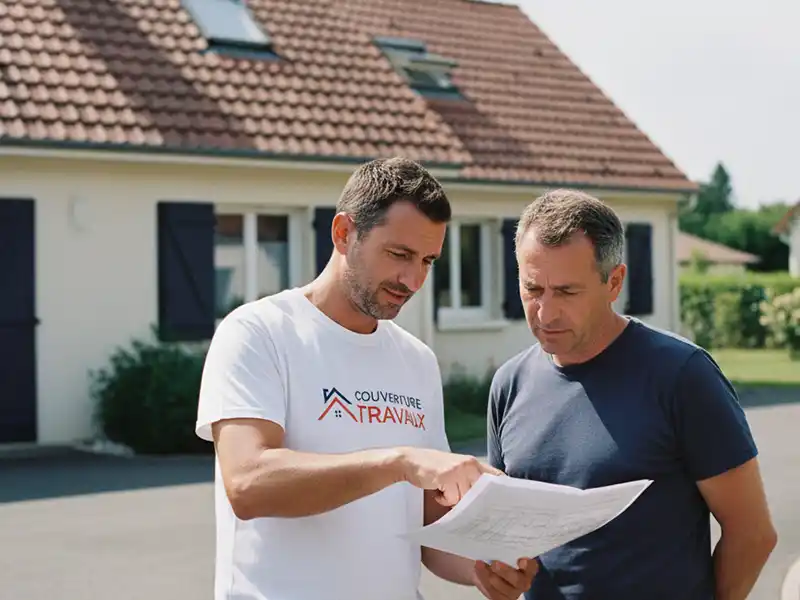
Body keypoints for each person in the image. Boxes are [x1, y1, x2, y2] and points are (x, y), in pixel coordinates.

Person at [195, 156, 539, 600]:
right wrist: (399, 463)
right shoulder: (257, 333)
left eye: (428, 260)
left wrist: (482, 568)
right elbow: (248, 483)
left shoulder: (416, 360)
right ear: (343, 233)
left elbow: (426, 522)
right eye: (398, 254)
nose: (413, 279)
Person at [487, 189, 777, 600]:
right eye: (533, 289)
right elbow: (505, 534)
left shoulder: (682, 376)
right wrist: (494, 573)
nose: (546, 313)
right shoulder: (509, 384)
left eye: (567, 292)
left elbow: (753, 534)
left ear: (614, 282)